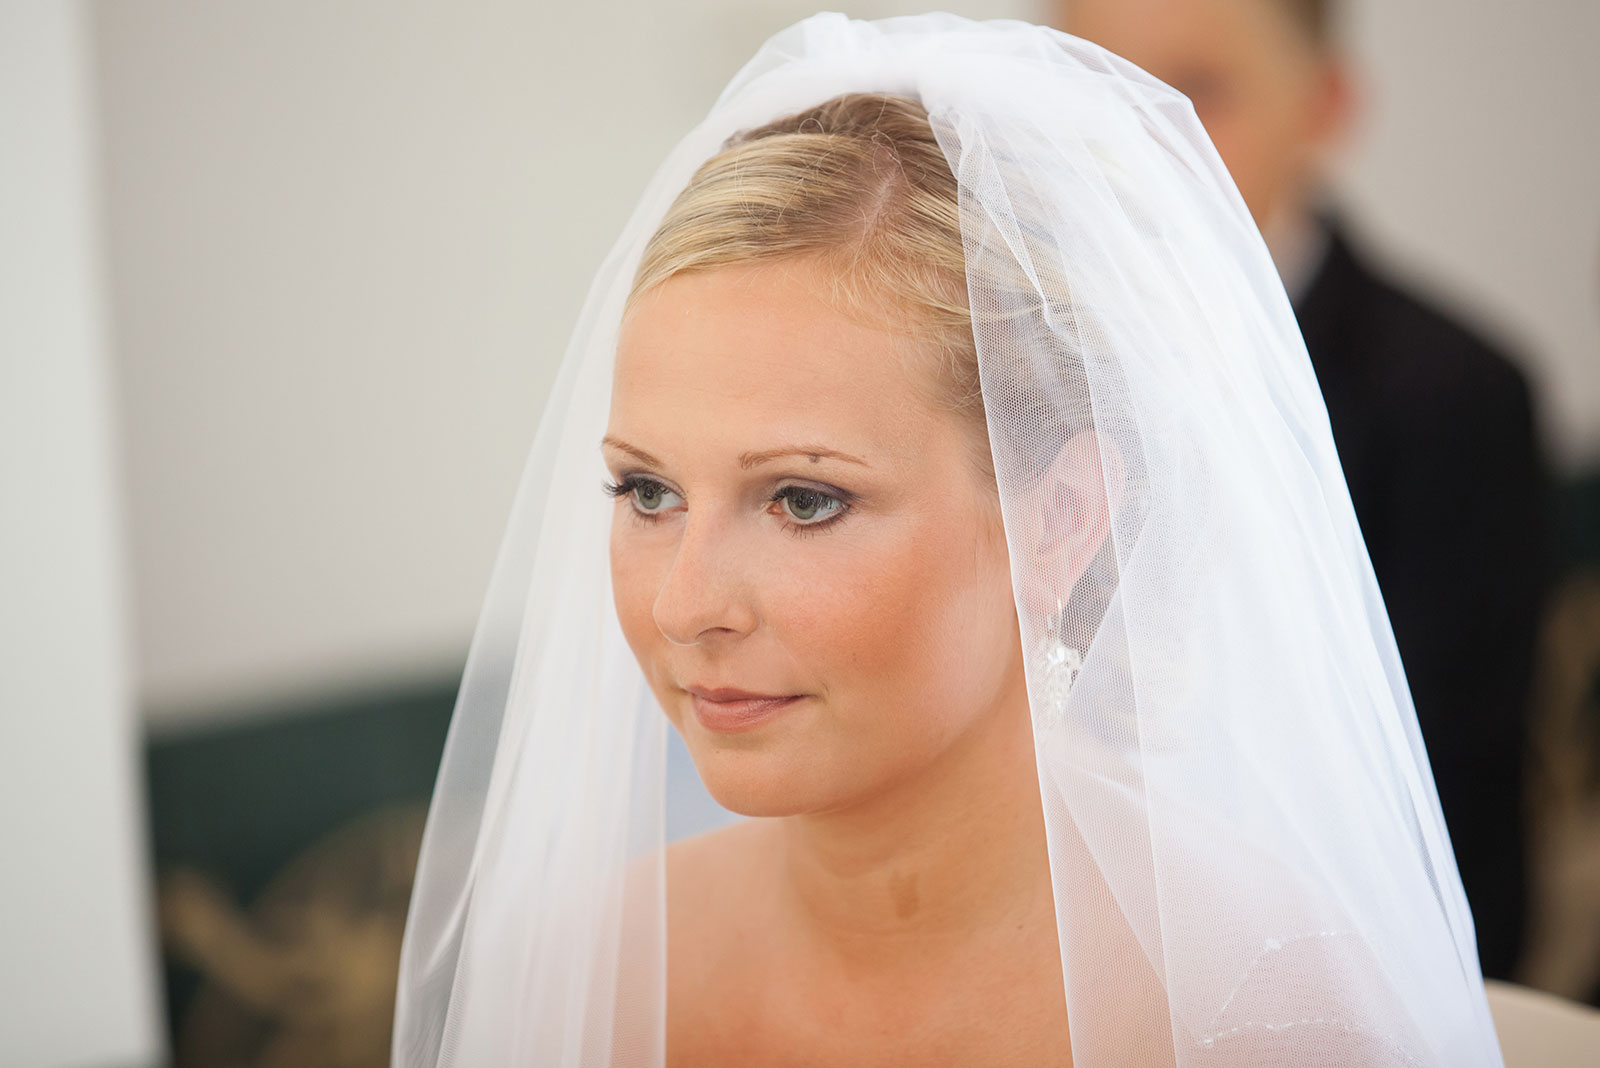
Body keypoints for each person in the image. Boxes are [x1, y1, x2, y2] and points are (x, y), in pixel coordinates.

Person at [392, 15, 1505, 1066]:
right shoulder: (594, 962)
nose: (685, 606)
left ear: (1060, 521)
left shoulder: (1269, 1015)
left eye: (803, 500)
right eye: (646, 490)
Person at [1056, 0, 1551, 979]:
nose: (1132, 134)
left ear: (1324, 106)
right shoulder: (987, 361)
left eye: (1198, 90)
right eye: (1094, 84)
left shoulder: (1450, 391)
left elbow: (1451, 774)